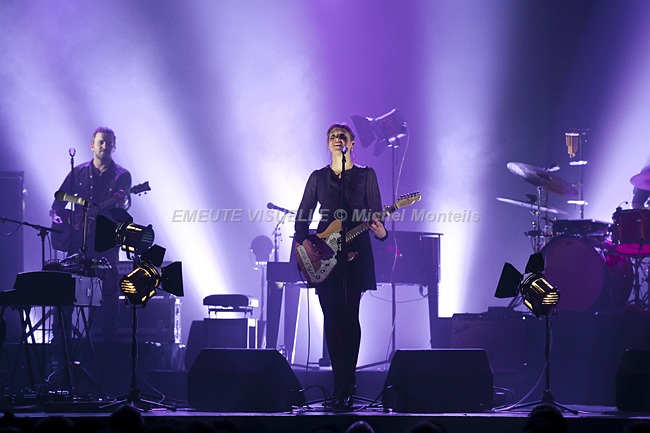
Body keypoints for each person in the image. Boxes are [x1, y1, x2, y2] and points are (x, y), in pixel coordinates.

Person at [294, 123, 387, 410]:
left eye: (342, 135)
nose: (337, 139)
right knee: (332, 318)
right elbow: (302, 215)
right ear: (328, 143)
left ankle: (349, 383)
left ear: (352, 143)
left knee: (349, 316)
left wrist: (381, 232)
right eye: (332, 136)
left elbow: (377, 214)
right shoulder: (318, 177)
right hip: (323, 250)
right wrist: (307, 245)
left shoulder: (366, 175)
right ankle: (339, 384)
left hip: (356, 251)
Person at [51, 126, 132, 341]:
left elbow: (124, 205)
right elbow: (59, 198)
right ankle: (61, 340)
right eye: (101, 142)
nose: (104, 146)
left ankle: (108, 341)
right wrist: (58, 215)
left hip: (106, 240)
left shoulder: (122, 176)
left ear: (114, 147)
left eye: (108, 143)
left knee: (109, 290)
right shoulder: (78, 172)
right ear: (92, 145)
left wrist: (123, 200)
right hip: (78, 239)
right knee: (68, 287)